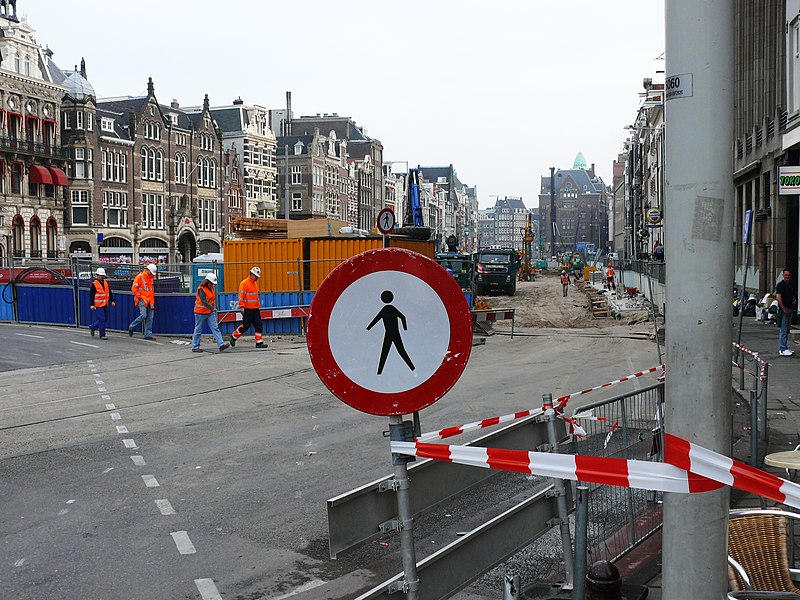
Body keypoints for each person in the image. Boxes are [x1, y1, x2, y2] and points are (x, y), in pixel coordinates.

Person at [191, 272, 230, 353]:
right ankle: (195, 346)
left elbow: (211, 299)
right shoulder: (201, 289)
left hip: (209, 313)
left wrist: (212, 308)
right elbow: (203, 300)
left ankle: (221, 345)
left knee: (215, 328)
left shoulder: (211, 288)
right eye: (211, 283)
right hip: (200, 313)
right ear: (207, 281)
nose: (212, 284)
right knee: (198, 329)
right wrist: (212, 308)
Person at [230, 266, 267, 348]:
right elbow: (241, 296)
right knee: (245, 326)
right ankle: (234, 336)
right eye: (256, 276)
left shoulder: (254, 283)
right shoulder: (244, 283)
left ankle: (259, 342)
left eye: (257, 276)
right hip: (247, 309)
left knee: (258, 324)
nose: (257, 278)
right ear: (251, 274)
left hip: (255, 309)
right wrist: (242, 307)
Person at [128, 264, 157, 339]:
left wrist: (151, 302)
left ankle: (147, 334)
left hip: (149, 301)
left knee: (150, 317)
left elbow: (150, 291)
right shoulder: (140, 277)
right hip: (142, 300)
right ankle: (131, 327)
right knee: (143, 315)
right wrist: (141, 297)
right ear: (148, 270)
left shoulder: (151, 278)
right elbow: (134, 289)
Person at [89, 267, 115, 340]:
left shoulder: (106, 283)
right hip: (98, 305)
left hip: (105, 304)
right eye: (100, 275)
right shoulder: (94, 284)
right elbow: (91, 295)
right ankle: (102, 334)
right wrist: (91, 305)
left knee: (105, 319)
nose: (101, 277)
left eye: (102, 275)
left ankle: (93, 327)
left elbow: (109, 293)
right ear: (97, 275)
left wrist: (112, 300)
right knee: (102, 319)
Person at [776, 268, 797, 356]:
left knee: (786, 329)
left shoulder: (791, 284)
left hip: (790, 309)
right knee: (783, 330)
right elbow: (778, 297)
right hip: (784, 310)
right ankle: (782, 348)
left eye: (788, 275)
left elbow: (792, 295)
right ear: (783, 275)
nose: (787, 276)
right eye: (786, 275)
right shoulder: (781, 285)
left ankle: (785, 347)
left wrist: (794, 300)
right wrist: (784, 308)